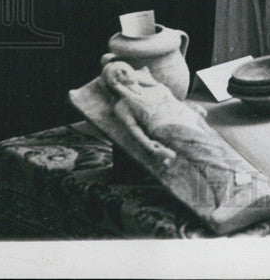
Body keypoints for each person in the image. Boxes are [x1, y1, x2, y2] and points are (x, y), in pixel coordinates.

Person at [100, 59, 257, 209]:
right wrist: (150, 146)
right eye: (115, 75)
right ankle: (227, 198)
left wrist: (193, 108)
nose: (121, 74)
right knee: (206, 156)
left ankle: (240, 189)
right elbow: (133, 127)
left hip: (189, 120)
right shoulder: (123, 104)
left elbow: (176, 103)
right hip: (166, 127)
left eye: (123, 69)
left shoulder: (156, 88)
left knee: (219, 151)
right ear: (113, 83)